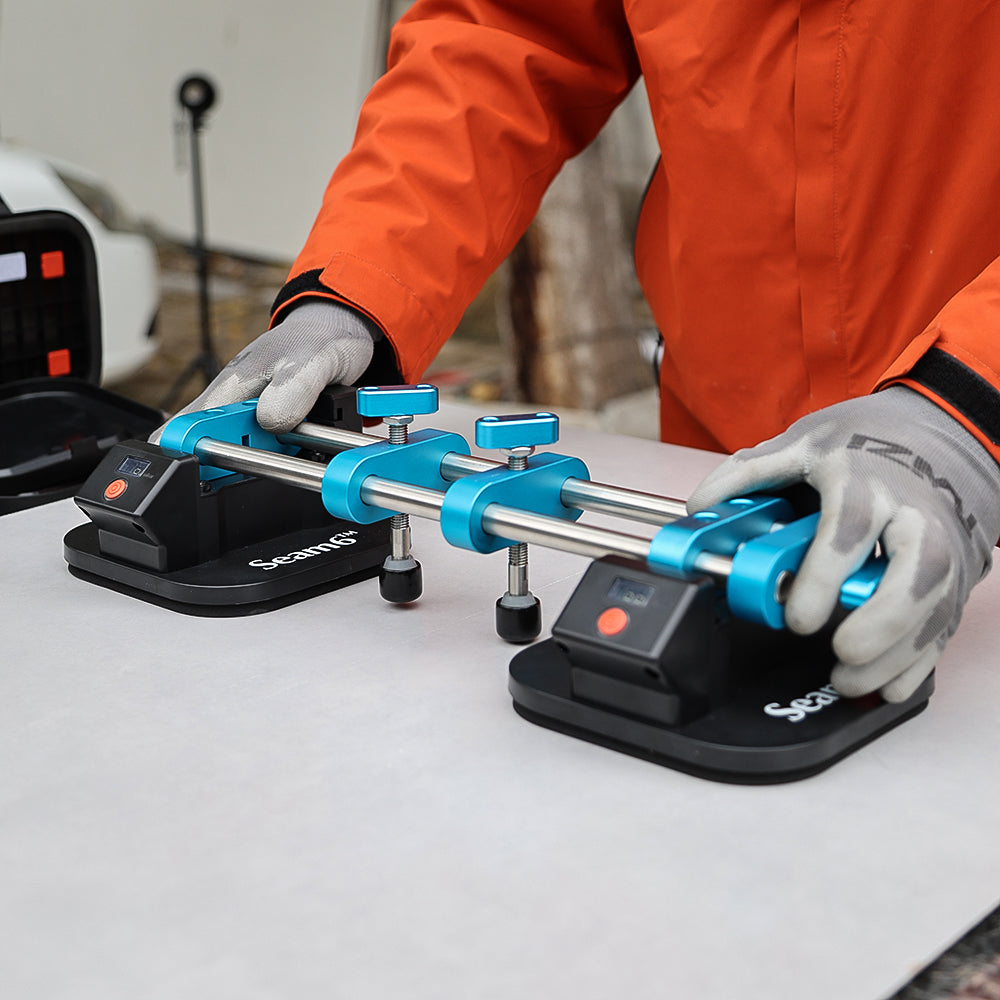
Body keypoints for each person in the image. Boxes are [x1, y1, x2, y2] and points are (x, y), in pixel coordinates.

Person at [168, 1, 1000, 704]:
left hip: (972, 472)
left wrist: (968, 407)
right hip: (715, 473)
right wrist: (357, 289)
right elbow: (500, 37)